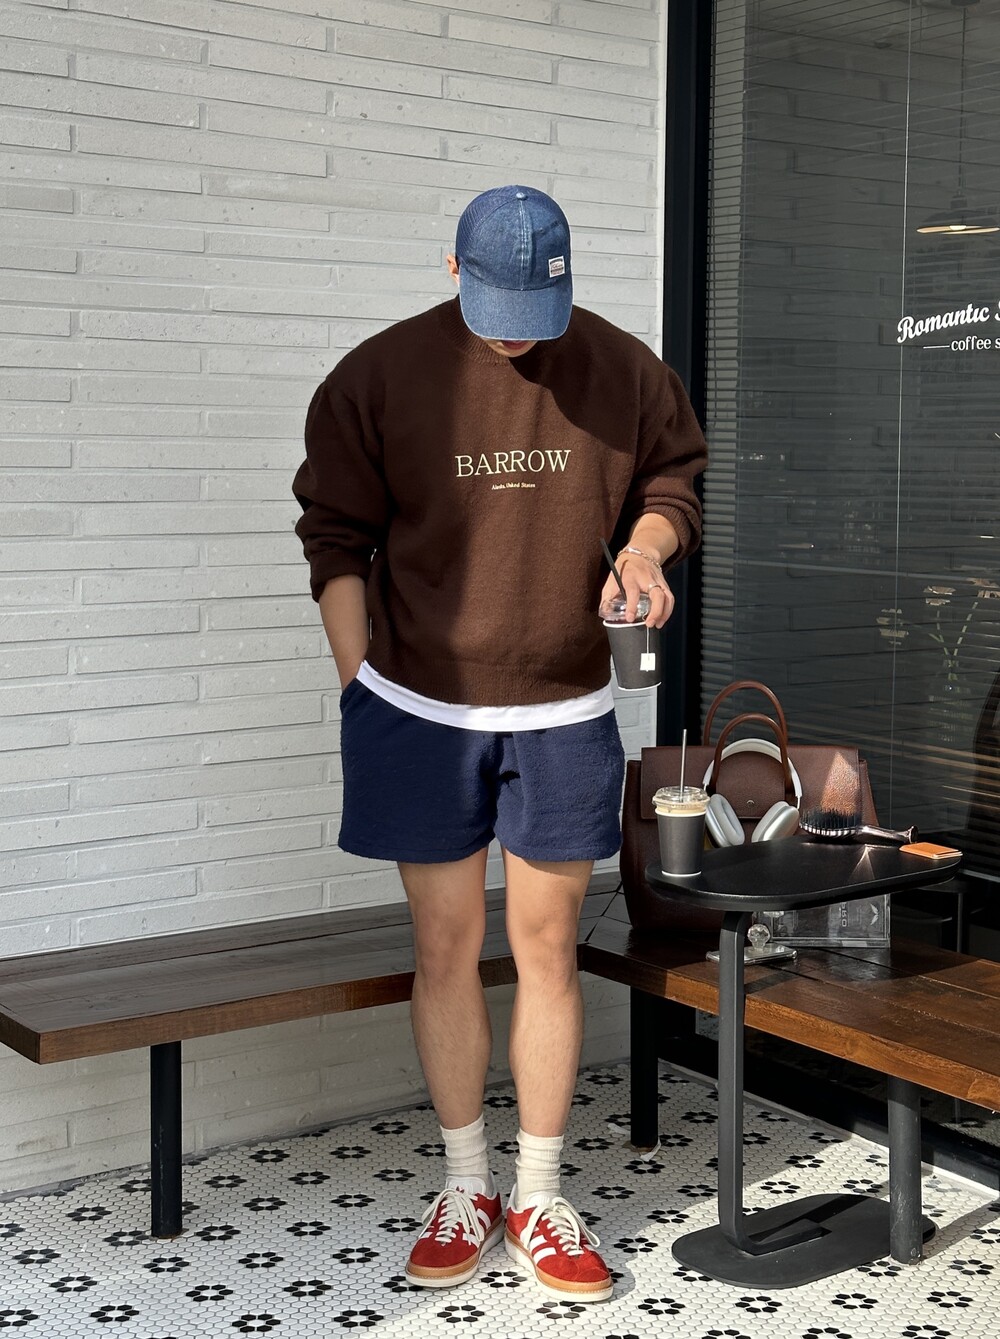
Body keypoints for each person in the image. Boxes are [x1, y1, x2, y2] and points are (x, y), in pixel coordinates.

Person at [292, 185, 707, 1303]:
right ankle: (465, 1183)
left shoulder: (622, 368)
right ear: (453, 269)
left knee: (548, 946)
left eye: (537, 309)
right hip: (417, 707)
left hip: (564, 704)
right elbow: (334, 536)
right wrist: (358, 685)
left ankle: (538, 1193)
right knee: (443, 945)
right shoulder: (378, 376)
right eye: (495, 308)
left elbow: (672, 481)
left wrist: (644, 550)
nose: (517, 332)